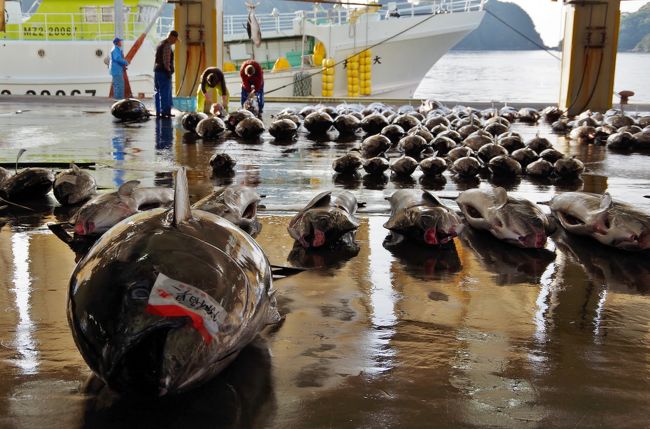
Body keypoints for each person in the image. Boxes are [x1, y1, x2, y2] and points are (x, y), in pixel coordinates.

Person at [154, 30, 179, 118]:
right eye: (175, 39)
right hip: (163, 72)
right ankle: (165, 112)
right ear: (172, 37)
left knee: (157, 91)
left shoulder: (160, 44)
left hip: (157, 71)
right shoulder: (167, 46)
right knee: (165, 92)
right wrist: (168, 71)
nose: (175, 41)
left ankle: (158, 111)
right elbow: (166, 61)